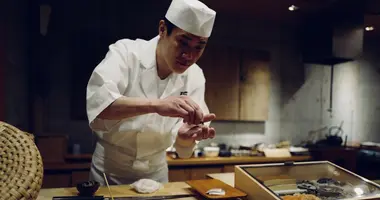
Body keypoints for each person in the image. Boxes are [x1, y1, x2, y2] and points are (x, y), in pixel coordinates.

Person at [86, 0, 217, 185]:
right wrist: (157, 105)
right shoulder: (125, 53)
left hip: (156, 174)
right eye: (183, 42)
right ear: (162, 29)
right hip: (109, 171)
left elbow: (183, 148)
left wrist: (185, 139)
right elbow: (100, 106)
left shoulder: (195, 75)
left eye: (199, 47)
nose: (189, 55)